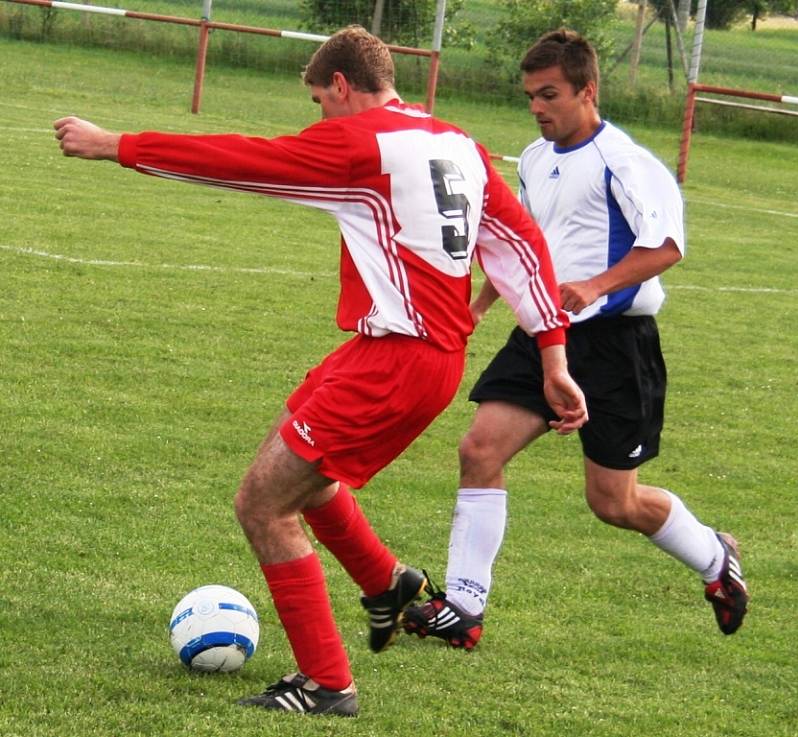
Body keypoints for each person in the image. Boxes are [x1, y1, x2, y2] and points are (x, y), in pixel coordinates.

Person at [54, 27, 587, 716]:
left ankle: (326, 683)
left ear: (341, 85)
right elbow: (519, 245)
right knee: (301, 459)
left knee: (262, 502)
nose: (317, 117)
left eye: (317, 100)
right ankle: (386, 581)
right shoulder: (459, 144)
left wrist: (114, 145)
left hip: (398, 361)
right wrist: (554, 355)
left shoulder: (359, 141)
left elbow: (241, 159)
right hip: (399, 354)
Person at [403, 28, 749, 651]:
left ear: (587, 90)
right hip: (545, 330)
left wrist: (597, 284)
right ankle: (463, 605)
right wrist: (482, 303)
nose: (537, 107)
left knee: (613, 503)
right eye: (531, 96)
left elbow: (667, 247)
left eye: (550, 94)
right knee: (480, 449)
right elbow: (526, 243)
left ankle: (715, 558)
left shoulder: (627, 162)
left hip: (618, 344)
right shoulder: (534, 159)